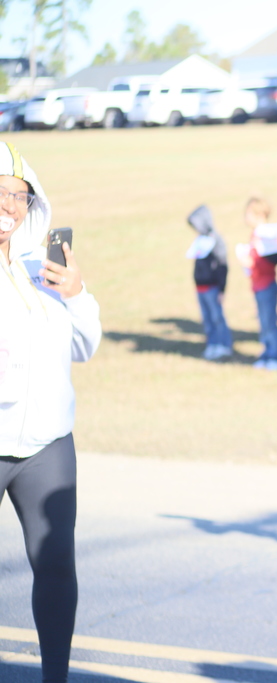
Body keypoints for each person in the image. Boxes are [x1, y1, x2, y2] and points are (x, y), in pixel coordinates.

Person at [0, 142, 102, 683]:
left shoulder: (41, 267)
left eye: (19, 195)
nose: (9, 205)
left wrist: (77, 294)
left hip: (47, 445)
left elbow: (85, 346)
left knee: (57, 564)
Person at [239, 196, 277, 370]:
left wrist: (253, 263)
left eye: (248, 214)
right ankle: (266, 354)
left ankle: (276, 356)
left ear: (259, 214)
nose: (245, 217)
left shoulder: (266, 235)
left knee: (269, 322)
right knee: (263, 323)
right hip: (258, 285)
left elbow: (269, 262)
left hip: (267, 285)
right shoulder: (255, 234)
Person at [186, 205, 232, 361]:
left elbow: (223, 266)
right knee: (207, 319)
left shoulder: (216, 240)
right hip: (201, 288)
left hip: (213, 287)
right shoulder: (199, 240)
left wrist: (222, 289)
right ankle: (212, 344)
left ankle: (224, 345)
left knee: (217, 318)